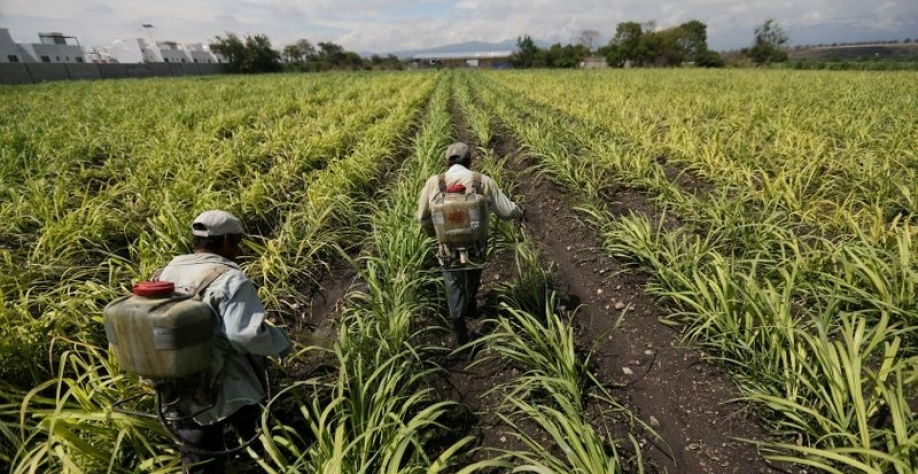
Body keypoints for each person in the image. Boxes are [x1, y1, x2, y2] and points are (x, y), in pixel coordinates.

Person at [156, 209, 291, 474]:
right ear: (227, 240)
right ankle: (270, 461)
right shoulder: (229, 278)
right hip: (220, 382)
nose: (239, 248)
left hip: (173, 376)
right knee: (250, 424)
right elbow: (245, 334)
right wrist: (281, 342)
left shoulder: (169, 270)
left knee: (196, 448)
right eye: (238, 241)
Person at [417, 142, 523, 344]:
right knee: (473, 273)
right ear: (469, 161)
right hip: (476, 246)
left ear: (446, 163)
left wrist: (435, 233)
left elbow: (422, 217)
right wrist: (520, 212)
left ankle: (459, 327)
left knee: (453, 282)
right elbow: (507, 211)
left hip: (448, 247)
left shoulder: (434, 182)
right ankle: (471, 304)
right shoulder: (481, 181)